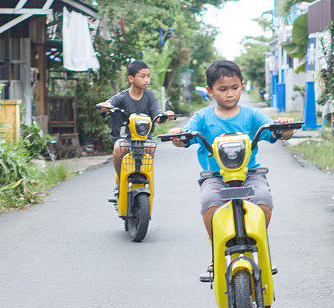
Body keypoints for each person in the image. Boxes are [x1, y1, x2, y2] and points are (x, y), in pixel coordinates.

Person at [168, 60, 296, 280]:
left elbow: (276, 131)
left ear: (242, 85)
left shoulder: (252, 115)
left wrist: (285, 127)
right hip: (216, 177)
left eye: (234, 88)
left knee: (264, 199)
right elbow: (184, 137)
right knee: (209, 202)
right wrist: (177, 134)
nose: (229, 94)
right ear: (210, 91)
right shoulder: (202, 117)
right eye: (222, 89)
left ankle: (260, 246)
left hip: (249, 175)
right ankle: (217, 251)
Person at [98, 60, 173, 196]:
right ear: (131, 78)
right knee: (118, 148)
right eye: (142, 76)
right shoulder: (122, 97)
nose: (146, 79)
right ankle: (120, 182)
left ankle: (143, 177)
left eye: (148, 76)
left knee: (150, 147)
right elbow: (109, 103)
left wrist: (165, 116)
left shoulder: (150, 95)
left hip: (144, 138)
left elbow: (157, 115)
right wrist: (105, 106)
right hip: (125, 138)